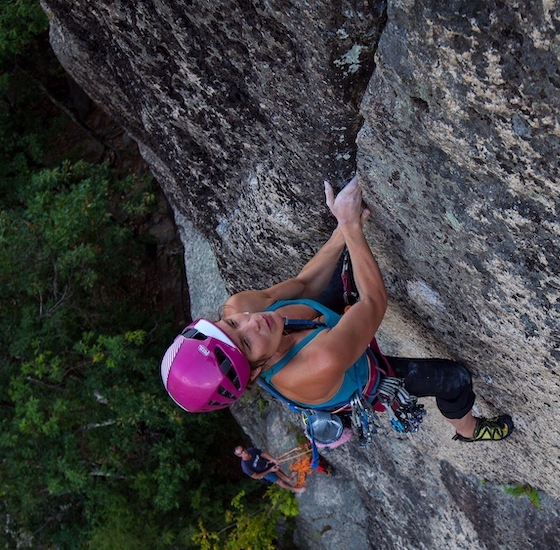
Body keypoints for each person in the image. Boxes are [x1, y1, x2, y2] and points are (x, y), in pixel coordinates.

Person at [161, 176, 513, 443]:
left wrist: (343, 229)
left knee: (347, 254)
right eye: (247, 343)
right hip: (363, 376)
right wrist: (350, 225)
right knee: (455, 379)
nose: (252, 322)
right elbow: (373, 303)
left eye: (231, 324)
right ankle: (469, 431)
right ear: (254, 374)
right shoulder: (318, 362)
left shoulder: (241, 306)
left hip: (316, 323)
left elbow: (303, 286)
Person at [234, 445, 303, 492]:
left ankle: (288, 478)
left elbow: (262, 453)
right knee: (279, 481)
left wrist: (273, 459)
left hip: (265, 464)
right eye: (241, 452)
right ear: (239, 455)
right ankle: (294, 489)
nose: (244, 452)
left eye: (243, 449)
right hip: (263, 473)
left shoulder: (251, 450)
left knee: (277, 469)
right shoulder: (245, 466)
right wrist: (270, 470)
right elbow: (256, 476)